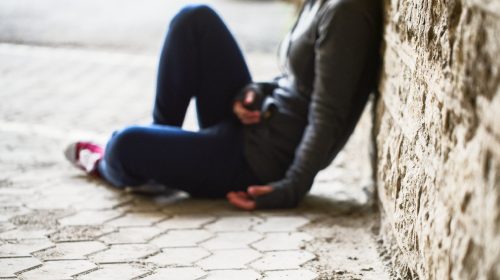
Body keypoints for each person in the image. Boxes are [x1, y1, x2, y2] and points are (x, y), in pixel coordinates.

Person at [65, 0, 382, 210]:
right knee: (194, 20)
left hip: (257, 162)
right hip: (254, 122)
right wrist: (253, 92)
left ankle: (111, 164)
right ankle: (159, 148)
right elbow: (293, 82)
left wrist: (290, 189)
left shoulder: (347, 12)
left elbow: (328, 114)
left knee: (124, 145)